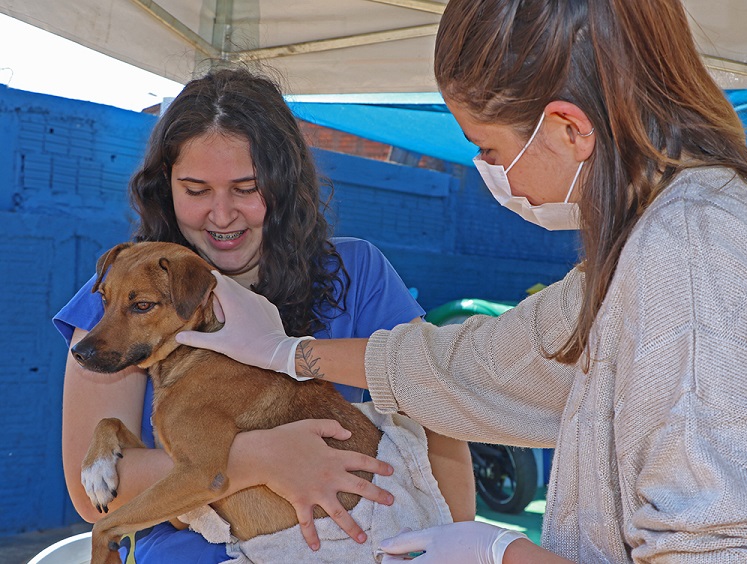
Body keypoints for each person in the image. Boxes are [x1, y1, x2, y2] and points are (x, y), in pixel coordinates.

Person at [176, 1, 747, 563]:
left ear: (569, 130)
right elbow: (498, 364)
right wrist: (286, 354)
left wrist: (501, 551)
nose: (491, 173)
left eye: (490, 148)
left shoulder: (690, 256)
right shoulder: (678, 227)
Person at [54, 68, 475, 564]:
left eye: (246, 188)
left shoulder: (356, 272)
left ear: (283, 183)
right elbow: (93, 496)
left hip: (354, 541)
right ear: (164, 185)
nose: (222, 214)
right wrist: (261, 459)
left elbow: (438, 419)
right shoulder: (121, 295)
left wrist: (452, 545)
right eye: (195, 189)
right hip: (192, 548)